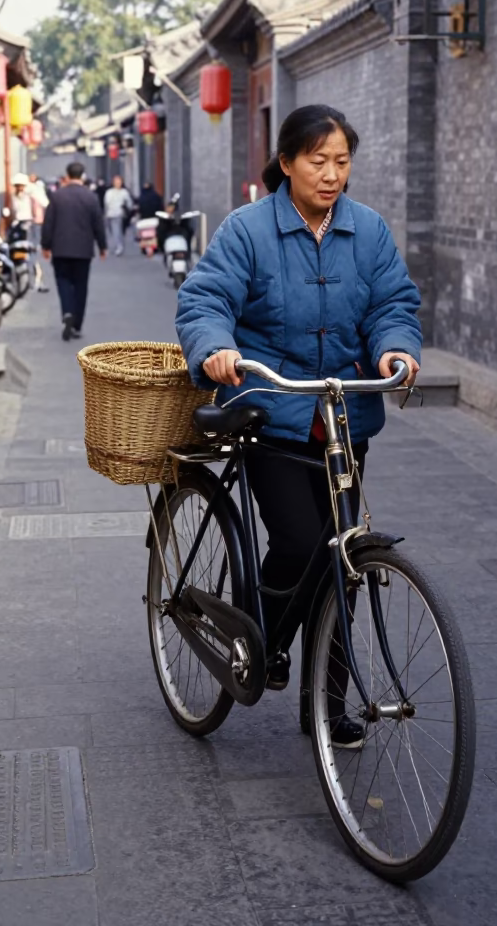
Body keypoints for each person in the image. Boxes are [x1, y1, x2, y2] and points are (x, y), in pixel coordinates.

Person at [175, 104, 421, 747]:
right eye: (319, 161)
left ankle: (328, 701)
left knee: (342, 558)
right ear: (286, 163)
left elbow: (393, 303)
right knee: (299, 539)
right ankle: (262, 639)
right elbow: (205, 299)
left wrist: (396, 347)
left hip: (344, 417)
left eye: (342, 161)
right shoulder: (248, 230)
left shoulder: (367, 231)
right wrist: (215, 350)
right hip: (271, 414)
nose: (332, 174)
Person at [41, 161, 107, 340]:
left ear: (67, 175)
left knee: (63, 282)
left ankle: (67, 312)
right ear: (83, 176)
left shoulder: (56, 197)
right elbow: (98, 224)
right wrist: (102, 246)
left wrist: (45, 245)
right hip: (83, 251)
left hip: (60, 249)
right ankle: (76, 324)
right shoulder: (90, 197)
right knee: (80, 286)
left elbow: (48, 223)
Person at [27, 174, 49, 292]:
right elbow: (46, 204)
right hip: (35, 223)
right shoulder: (35, 191)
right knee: (34, 251)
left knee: (33, 251)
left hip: (36, 223)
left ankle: (36, 279)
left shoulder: (31, 191)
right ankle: (35, 279)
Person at [104, 175, 133, 255]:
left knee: (117, 230)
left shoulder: (124, 192)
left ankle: (119, 247)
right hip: (109, 214)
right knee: (112, 231)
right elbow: (106, 203)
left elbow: (129, 203)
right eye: (116, 182)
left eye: (119, 182)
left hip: (119, 214)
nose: (118, 183)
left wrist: (126, 209)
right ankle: (117, 245)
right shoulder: (109, 192)